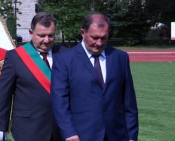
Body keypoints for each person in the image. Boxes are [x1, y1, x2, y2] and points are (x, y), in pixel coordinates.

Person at [51, 13, 138, 141]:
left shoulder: (120, 58)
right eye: (95, 37)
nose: (99, 43)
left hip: (117, 135)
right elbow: (59, 101)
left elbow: (129, 101)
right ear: (83, 32)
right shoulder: (64, 60)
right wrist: (69, 133)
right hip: (80, 135)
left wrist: (131, 135)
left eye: (104, 38)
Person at [0, 12, 64, 141]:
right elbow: (4, 93)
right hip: (28, 129)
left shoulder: (66, 54)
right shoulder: (15, 57)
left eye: (51, 35)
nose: (46, 40)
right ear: (31, 33)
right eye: (41, 35)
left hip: (61, 129)